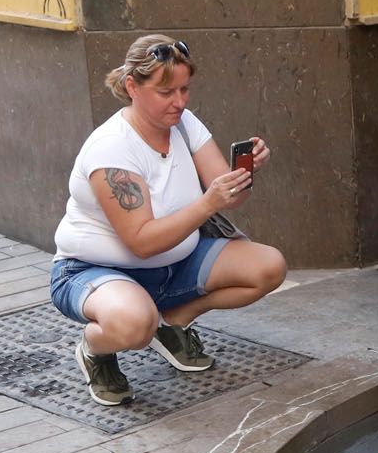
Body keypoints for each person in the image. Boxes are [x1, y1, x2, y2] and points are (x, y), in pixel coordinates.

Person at [50, 35, 289, 405]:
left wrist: (244, 176)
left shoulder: (184, 123)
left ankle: (172, 322)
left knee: (269, 267)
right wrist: (209, 203)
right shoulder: (112, 148)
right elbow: (142, 243)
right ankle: (96, 348)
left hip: (176, 263)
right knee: (134, 325)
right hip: (94, 270)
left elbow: (229, 198)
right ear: (133, 87)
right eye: (166, 92)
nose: (179, 102)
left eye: (185, 89)